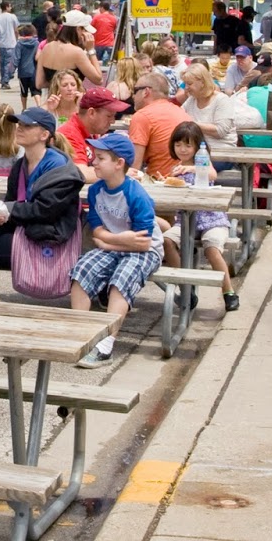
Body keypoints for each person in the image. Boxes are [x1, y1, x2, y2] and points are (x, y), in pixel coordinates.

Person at [0, 107, 83, 302]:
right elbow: (12, 204)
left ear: (44, 134)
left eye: (27, 125)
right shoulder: (20, 166)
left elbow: (45, 211)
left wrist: (9, 209)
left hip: (49, 240)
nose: (19, 128)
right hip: (27, 232)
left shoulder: (60, 169)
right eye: (19, 124)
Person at [70, 133, 164, 369]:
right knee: (82, 269)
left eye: (100, 158)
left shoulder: (136, 194)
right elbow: (97, 231)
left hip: (145, 252)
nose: (94, 163)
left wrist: (108, 242)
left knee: (121, 279)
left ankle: (106, 345)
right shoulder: (95, 191)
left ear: (119, 163)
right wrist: (116, 240)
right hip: (118, 245)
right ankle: (81, 335)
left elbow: (143, 243)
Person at [157, 122, 238, 312]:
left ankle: (229, 292)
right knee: (167, 241)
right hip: (185, 222)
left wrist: (192, 169)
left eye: (187, 145)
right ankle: (187, 286)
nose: (182, 150)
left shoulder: (202, 161)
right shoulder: (175, 168)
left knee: (211, 248)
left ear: (197, 146)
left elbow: (211, 174)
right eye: (178, 145)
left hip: (212, 219)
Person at [128, 72, 190, 178]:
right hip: (186, 178)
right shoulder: (181, 112)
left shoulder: (142, 116)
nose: (133, 96)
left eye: (135, 91)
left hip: (159, 180)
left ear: (146, 92)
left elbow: (134, 166)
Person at [59, 88, 128, 180]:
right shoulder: (69, 134)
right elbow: (80, 173)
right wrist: (118, 172)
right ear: (91, 113)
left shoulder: (92, 130)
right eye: (109, 116)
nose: (112, 121)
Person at [36, 10, 103, 89]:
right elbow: (98, 80)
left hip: (53, 98)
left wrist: (58, 85)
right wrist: (91, 50)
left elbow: (39, 84)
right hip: (73, 98)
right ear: (78, 29)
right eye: (84, 30)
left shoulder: (46, 48)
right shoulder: (76, 52)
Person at [178, 62, 237, 145]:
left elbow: (220, 131)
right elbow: (178, 115)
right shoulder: (191, 100)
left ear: (202, 82)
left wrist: (192, 125)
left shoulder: (221, 100)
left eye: (189, 84)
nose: (186, 88)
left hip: (221, 149)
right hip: (196, 148)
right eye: (185, 84)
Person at [15, 23, 41, 107]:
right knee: (36, 90)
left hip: (23, 72)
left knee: (23, 91)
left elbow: (16, 58)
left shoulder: (19, 44)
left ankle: (24, 108)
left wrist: (10, 71)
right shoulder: (37, 43)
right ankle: (39, 105)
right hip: (34, 71)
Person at [0, 2, 20, 88]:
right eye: (10, 6)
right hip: (11, 42)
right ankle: (5, 80)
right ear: (6, 7)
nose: (11, 7)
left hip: (0, 43)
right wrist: (17, 39)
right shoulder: (13, 17)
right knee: (9, 63)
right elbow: (16, 30)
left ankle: (4, 78)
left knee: (2, 63)